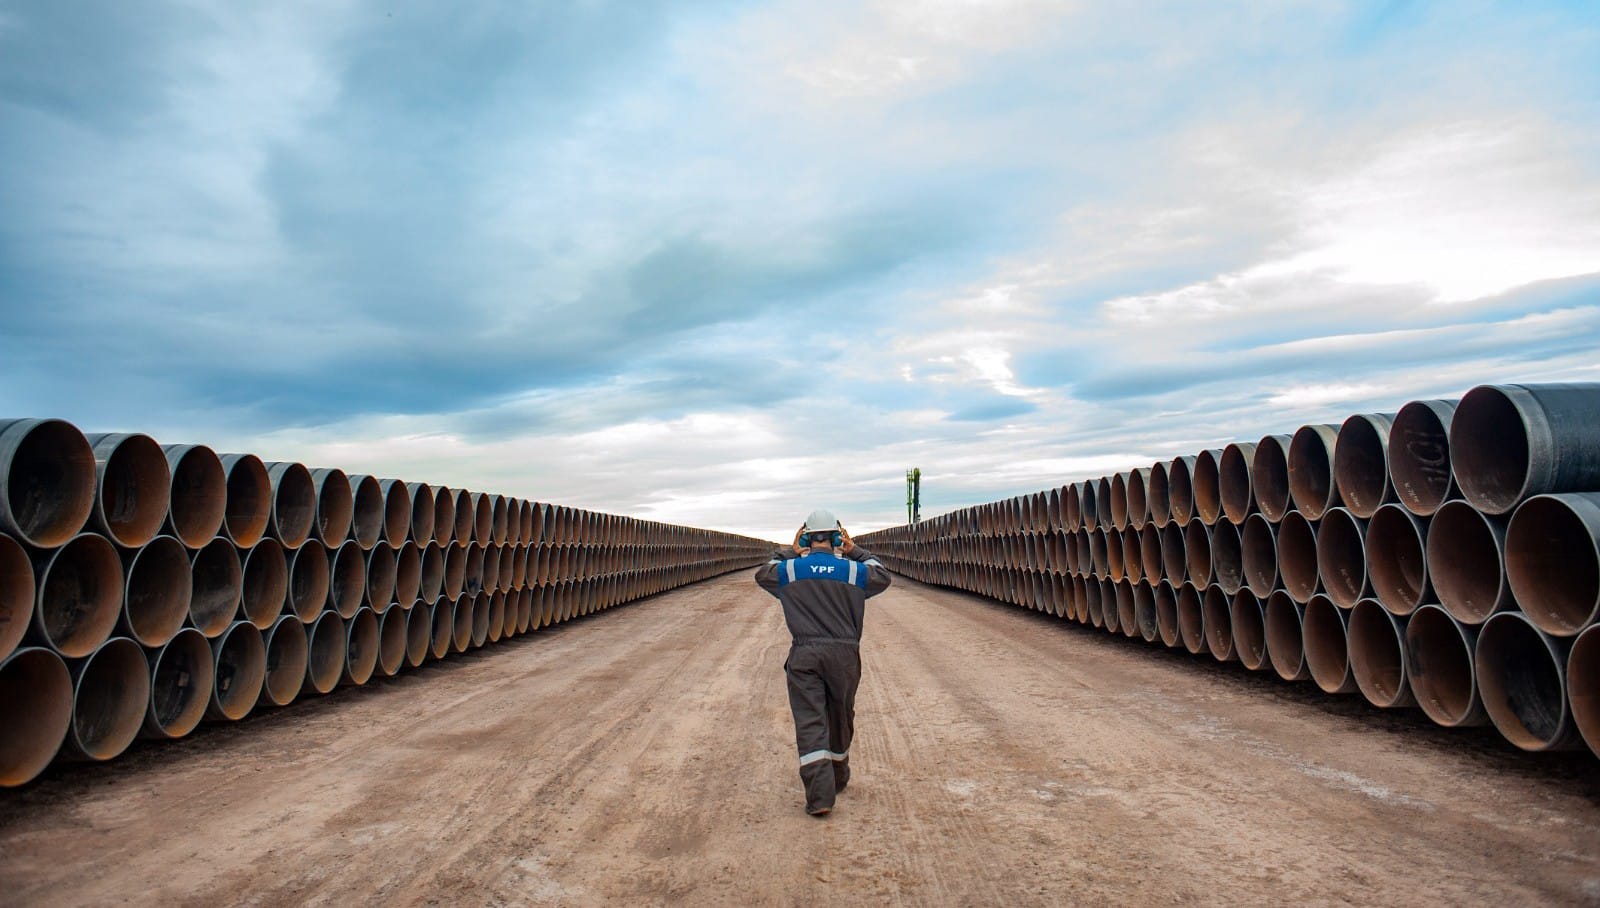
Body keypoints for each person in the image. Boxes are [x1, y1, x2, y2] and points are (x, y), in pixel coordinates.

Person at [755, 508, 892, 816]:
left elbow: (763, 573)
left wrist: (790, 550)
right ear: (836, 537)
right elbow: (882, 575)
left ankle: (820, 797)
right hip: (844, 655)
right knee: (840, 715)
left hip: (805, 653)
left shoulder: (791, 571)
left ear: (806, 536)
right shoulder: (854, 572)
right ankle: (838, 776)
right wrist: (855, 550)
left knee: (810, 720)